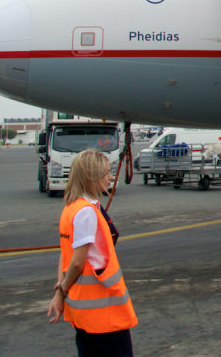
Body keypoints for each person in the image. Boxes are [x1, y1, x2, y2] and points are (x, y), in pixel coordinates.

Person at [48, 149, 137, 356]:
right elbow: (77, 263)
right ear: (91, 177)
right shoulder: (87, 212)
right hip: (104, 314)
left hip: (84, 313)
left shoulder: (71, 208)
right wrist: (61, 291)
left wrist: (60, 290)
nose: (110, 177)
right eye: (106, 173)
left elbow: (65, 254)